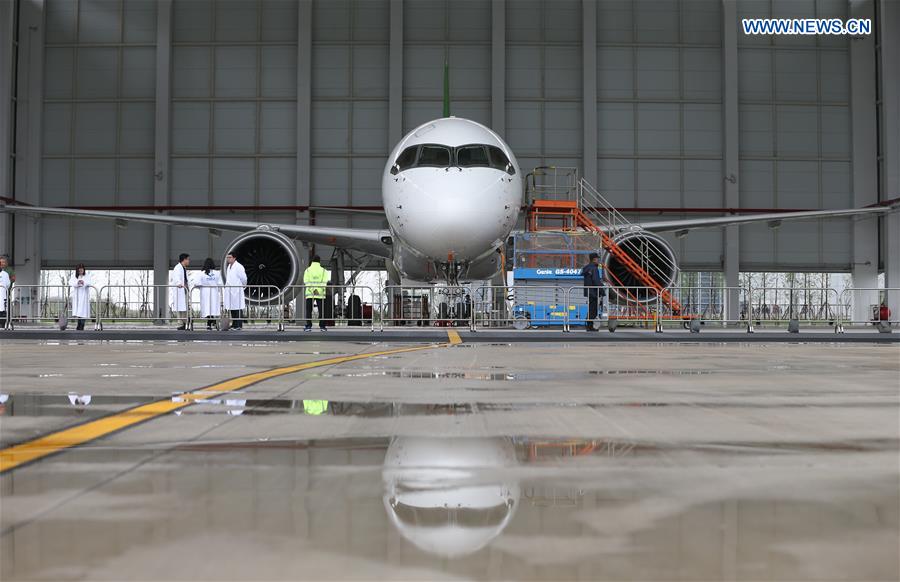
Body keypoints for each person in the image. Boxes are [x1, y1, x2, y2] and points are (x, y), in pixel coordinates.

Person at [303, 255, 329, 331]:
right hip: (320, 294)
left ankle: (308, 326)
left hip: (310, 293)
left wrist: (313, 290)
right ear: (319, 261)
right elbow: (325, 282)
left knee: (308, 310)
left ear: (312, 261)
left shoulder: (307, 270)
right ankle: (322, 326)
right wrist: (318, 290)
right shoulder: (324, 271)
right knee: (321, 310)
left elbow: (306, 281)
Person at [194, 258, 221, 330]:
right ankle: (212, 322)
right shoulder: (217, 273)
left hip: (205, 292)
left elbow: (197, 283)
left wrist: (202, 286)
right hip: (214, 292)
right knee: (213, 307)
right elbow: (220, 283)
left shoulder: (201, 273)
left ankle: (210, 323)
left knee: (207, 308)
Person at [223, 252, 247, 330]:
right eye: (227, 257)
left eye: (230, 257)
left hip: (237, 289)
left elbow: (244, 278)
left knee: (238, 307)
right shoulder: (229, 266)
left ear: (234, 258)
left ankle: (238, 325)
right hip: (230, 290)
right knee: (232, 308)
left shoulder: (239, 267)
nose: (228, 259)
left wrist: (243, 285)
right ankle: (234, 324)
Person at [581, 252, 604, 332]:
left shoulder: (587, 268)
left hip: (589, 291)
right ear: (594, 259)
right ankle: (590, 326)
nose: (599, 260)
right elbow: (596, 281)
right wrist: (602, 291)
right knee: (593, 310)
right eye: (598, 259)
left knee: (591, 309)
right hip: (594, 292)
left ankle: (589, 325)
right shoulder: (594, 268)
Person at [169, 253, 190, 330]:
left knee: (184, 308)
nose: (189, 261)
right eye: (188, 259)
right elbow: (176, 277)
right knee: (180, 308)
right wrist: (179, 283)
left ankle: (184, 323)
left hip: (184, 291)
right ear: (184, 259)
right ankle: (180, 324)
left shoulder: (183, 268)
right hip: (180, 290)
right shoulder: (177, 268)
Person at [69, 263, 92, 331]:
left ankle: (81, 325)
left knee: (83, 311)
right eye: (79, 269)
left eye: (82, 269)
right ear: (77, 270)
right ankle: (79, 325)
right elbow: (70, 282)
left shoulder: (87, 276)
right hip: (77, 295)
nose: (81, 270)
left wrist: (83, 282)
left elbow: (89, 282)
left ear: (84, 270)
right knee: (79, 311)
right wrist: (77, 283)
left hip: (84, 295)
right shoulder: (75, 276)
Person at [0, 256, 10, 330]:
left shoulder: (5, 274)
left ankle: (2, 325)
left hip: (3, 295)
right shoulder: (5, 273)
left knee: (3, 311)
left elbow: (8, 284)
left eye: (3, 262)